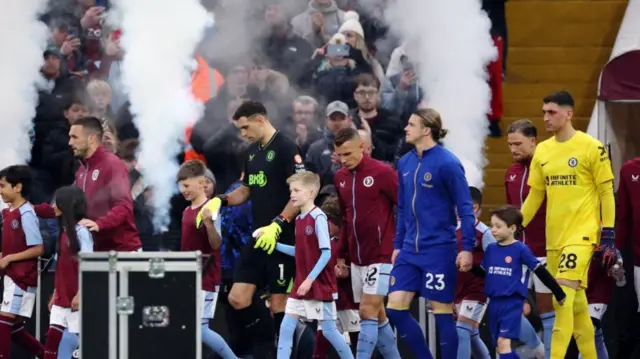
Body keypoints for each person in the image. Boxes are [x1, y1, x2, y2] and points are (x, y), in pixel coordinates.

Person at [196, 101, 305, 358]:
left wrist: (278, 224)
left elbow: (300, 194)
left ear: (260, 119)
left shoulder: (287, 148)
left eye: (245, 127)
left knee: (279, 302)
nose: (243, 134)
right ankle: (270, 342)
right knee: (237, 298)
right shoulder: (251, 152)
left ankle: (283, 351)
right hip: (258, 236)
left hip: (283, 237)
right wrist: (220, 200)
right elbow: (246, 190)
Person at [520, 91, 617, 359]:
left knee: (561, 300)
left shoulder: (591, 147)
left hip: (582, 236)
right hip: (555, 239)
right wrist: (517, 225)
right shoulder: (543, 150)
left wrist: (607, 233)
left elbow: (606, 192)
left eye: (551, 112)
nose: (546, 118)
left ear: (569, 113)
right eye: (544, 112)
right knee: (577, 309)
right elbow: (536, 195)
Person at [386, 108, 475, 359]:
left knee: (441, 311)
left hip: (438, 249)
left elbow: (465, 208)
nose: (406, 128)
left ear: (426, 130)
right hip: (409, 250)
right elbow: (402, 208)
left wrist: (467, 247)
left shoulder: (447, 163)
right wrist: (397, 243)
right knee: (395, 309)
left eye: (411, 124)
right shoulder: (405, 162)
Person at [332, 127, 401, 359]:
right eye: (340, 155)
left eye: (348, 154)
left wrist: (401, 243)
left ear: (362, 146)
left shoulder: (383, 172)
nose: (344, 160)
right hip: (356, 258)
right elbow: (344, 219)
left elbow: (404, 207)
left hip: (381, 254)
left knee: (366, 311)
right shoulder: (339, 177)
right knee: (378, 315)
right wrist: (341, 255)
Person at [270, 171, 353, 359]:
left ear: (311, 192)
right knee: (285, 328)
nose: (291, 195)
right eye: (291, 190)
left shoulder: (318, 218)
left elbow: (326, 253)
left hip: (320, 286)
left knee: (330, 331)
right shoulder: (299, 219)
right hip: (301, 285)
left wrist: (309, 280)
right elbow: (299, 251)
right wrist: (273, 246)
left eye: (296, 190)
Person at [34, 116, 142, 252]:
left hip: (121, 251)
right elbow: (67, 206)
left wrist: (99, 224)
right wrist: (29, 208)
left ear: (91, 139)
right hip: (96, 250)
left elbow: (123, 206)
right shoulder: (82, 170)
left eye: (75, 137)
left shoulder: (112, 164)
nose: (69, 142)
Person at [473, 206, 566, 359]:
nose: (493, 230)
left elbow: (540, 271)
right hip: (494, 304)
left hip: (512, 303)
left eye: (498, 226)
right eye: (491, 226)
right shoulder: (490, 250)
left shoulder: (520, 249)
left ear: (512, 228)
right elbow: (484, 273)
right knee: (499, 345)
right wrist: (468, 267)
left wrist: (558, 292)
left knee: (503, 343)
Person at [177, 160, 238, 359]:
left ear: (202, 183)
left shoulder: (211, 209)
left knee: (200, 329)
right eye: (180, 185)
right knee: (188, 327)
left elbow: (216, 244)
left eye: (186, 185)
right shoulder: (186, 211)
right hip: (189, 277)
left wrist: (209, 224)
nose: (182, 190)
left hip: (206, 276)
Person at [504, 119, 554, 357]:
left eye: (518, 144)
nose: (513, 149)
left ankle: (552, 353)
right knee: (509, 308)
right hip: (517, 252)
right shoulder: (511, 172)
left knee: (546, 309)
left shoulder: (549, 167)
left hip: (545, 249)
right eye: (510, 144)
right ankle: (537, 349)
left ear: (533, 141)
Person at [0, 165, 45, 359]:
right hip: (12, 275)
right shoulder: (9, 212)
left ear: (17, 187)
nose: (0, 191)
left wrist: (9, 258)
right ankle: (45, 355)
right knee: (15, 329)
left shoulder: (26, 214)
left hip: (22, 277)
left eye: (2, 186)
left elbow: (38, 248)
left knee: (3, 324)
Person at [43, 186, 93, 359]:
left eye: (57, 201)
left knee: (82, 345)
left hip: (75, 299)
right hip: (61, 299)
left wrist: (80, 294)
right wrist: (55, 293)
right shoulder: (62, 234)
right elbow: (60, 267)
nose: (53, 206)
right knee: (51, 341)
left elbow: (88, 266)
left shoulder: (81, 233)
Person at [314, 196, 361, 357]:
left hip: (350, 303)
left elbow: (360, 270)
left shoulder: (352, 242)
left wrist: (348, 273)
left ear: (336, 220)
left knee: (358, 348)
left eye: (327, 221)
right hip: (330, 304)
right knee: (319, 349)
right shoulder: (325, 242)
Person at [454, 187, 494, 359]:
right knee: (472, 334)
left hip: (477, 289)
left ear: (474, 208)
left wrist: (476, 268)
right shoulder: (450, 229)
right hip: (457, 288)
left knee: (461, 332)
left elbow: (494, 264)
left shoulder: (484, 233)